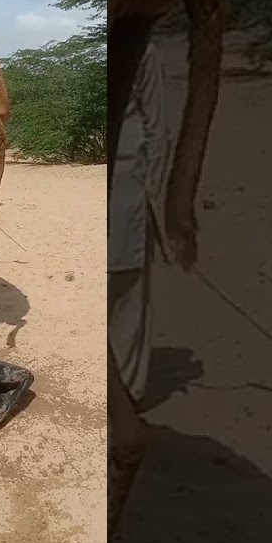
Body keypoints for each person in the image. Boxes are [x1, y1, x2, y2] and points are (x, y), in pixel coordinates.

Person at [108, 41, 172, 406]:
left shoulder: (143, 47)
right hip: (127, 189)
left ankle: (126, 399)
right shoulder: (143, 46)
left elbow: (156, 134)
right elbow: (158, 132)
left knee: (125, 289)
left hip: (130, 188)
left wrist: (155, 197)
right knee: (127, 296)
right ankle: (126, 397)